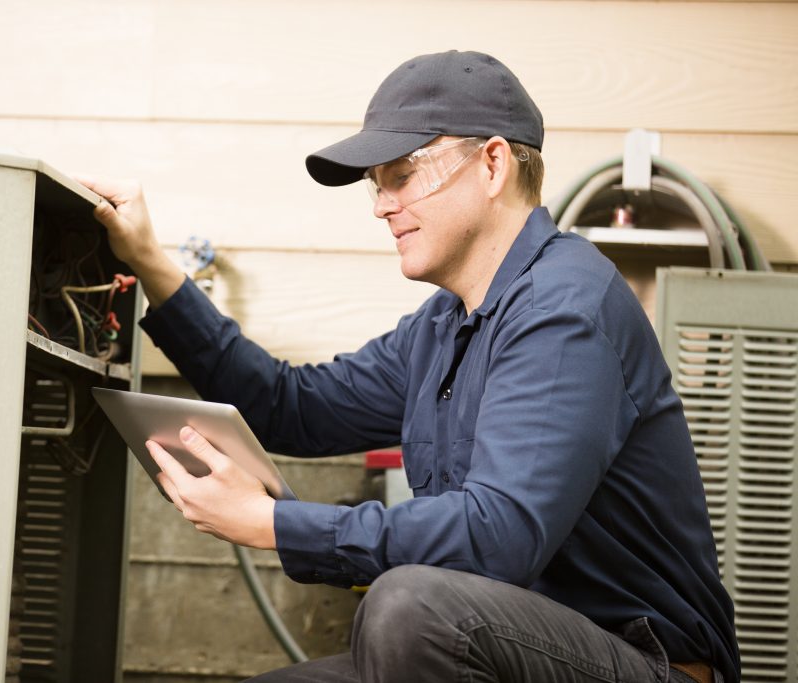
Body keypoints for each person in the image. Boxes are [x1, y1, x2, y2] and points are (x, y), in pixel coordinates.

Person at [80, 50, 739, 683]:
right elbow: (293, 407)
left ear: (491, 165)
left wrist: (274, 524)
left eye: (402, 174)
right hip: (489, 644)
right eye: (376, 184)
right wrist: (153, 265)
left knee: (408, 606)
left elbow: (501, 534)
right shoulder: (443, 325)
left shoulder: (564, 308)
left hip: (639, 662)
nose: (380, 203)